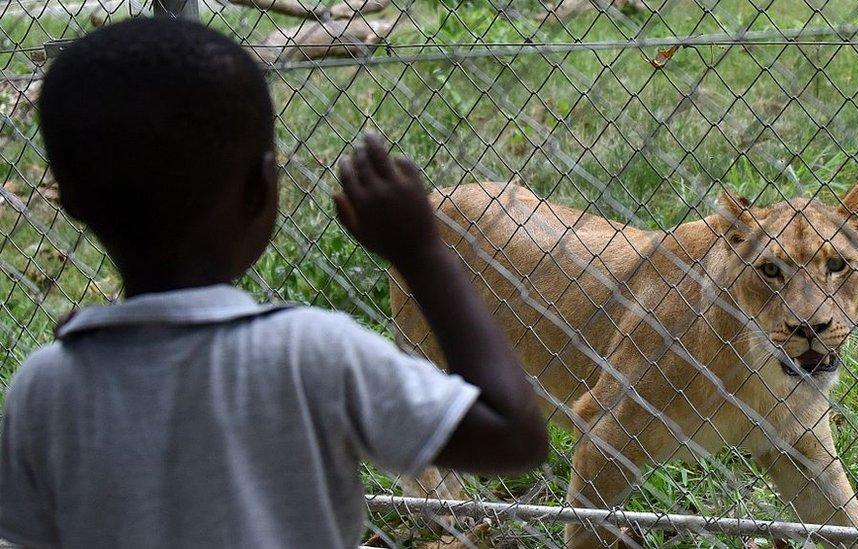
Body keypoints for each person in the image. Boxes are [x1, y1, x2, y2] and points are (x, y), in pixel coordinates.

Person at [0, 17, 547, 548]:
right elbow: (514, 436)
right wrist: (422, 253)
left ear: (70, 203)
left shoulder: (45, 388)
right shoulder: (311, 354)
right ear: (264, 187)